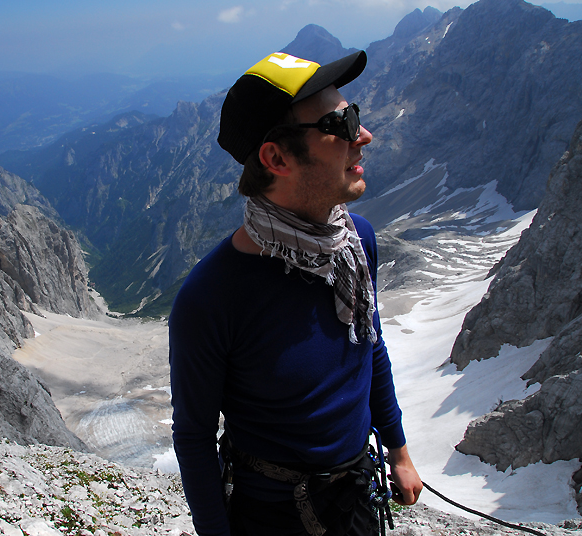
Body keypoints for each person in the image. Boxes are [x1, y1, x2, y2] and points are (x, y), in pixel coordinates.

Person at [168, 50, 423, 536]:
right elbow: (194, 438)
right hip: (271, 517)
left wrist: (400, 452)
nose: (362, 134)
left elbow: (370, 348)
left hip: (356, 498)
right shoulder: (211, 297)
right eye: (340, 122)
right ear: (276, 158)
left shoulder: (354, 242)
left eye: (357, 115)